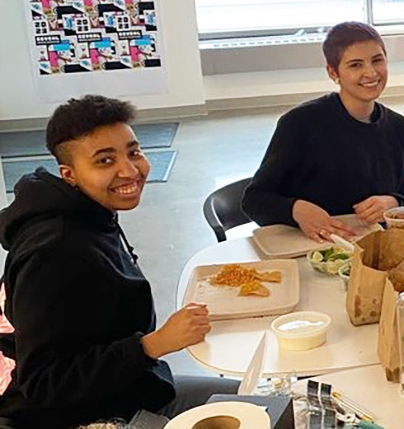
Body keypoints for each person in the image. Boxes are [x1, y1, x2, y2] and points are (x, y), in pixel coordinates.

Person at [0, 95, 238, 429]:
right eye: (104, 161)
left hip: (130, 389)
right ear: (68, 174)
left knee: (272, 404)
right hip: (74, 417)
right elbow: (43, 383)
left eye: (133, 152)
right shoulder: (52, 253)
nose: (129, 170)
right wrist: (152, 345)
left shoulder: (91, 214)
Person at [242, 21, 404, 242]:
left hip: (377, 251)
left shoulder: (400, 128)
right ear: (333, 72)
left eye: (377, 60)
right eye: (355, 65)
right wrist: (296, 210)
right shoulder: (300, 124)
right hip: (312, 250)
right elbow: (254, 200)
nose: (371, 72)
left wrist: (394, 203)